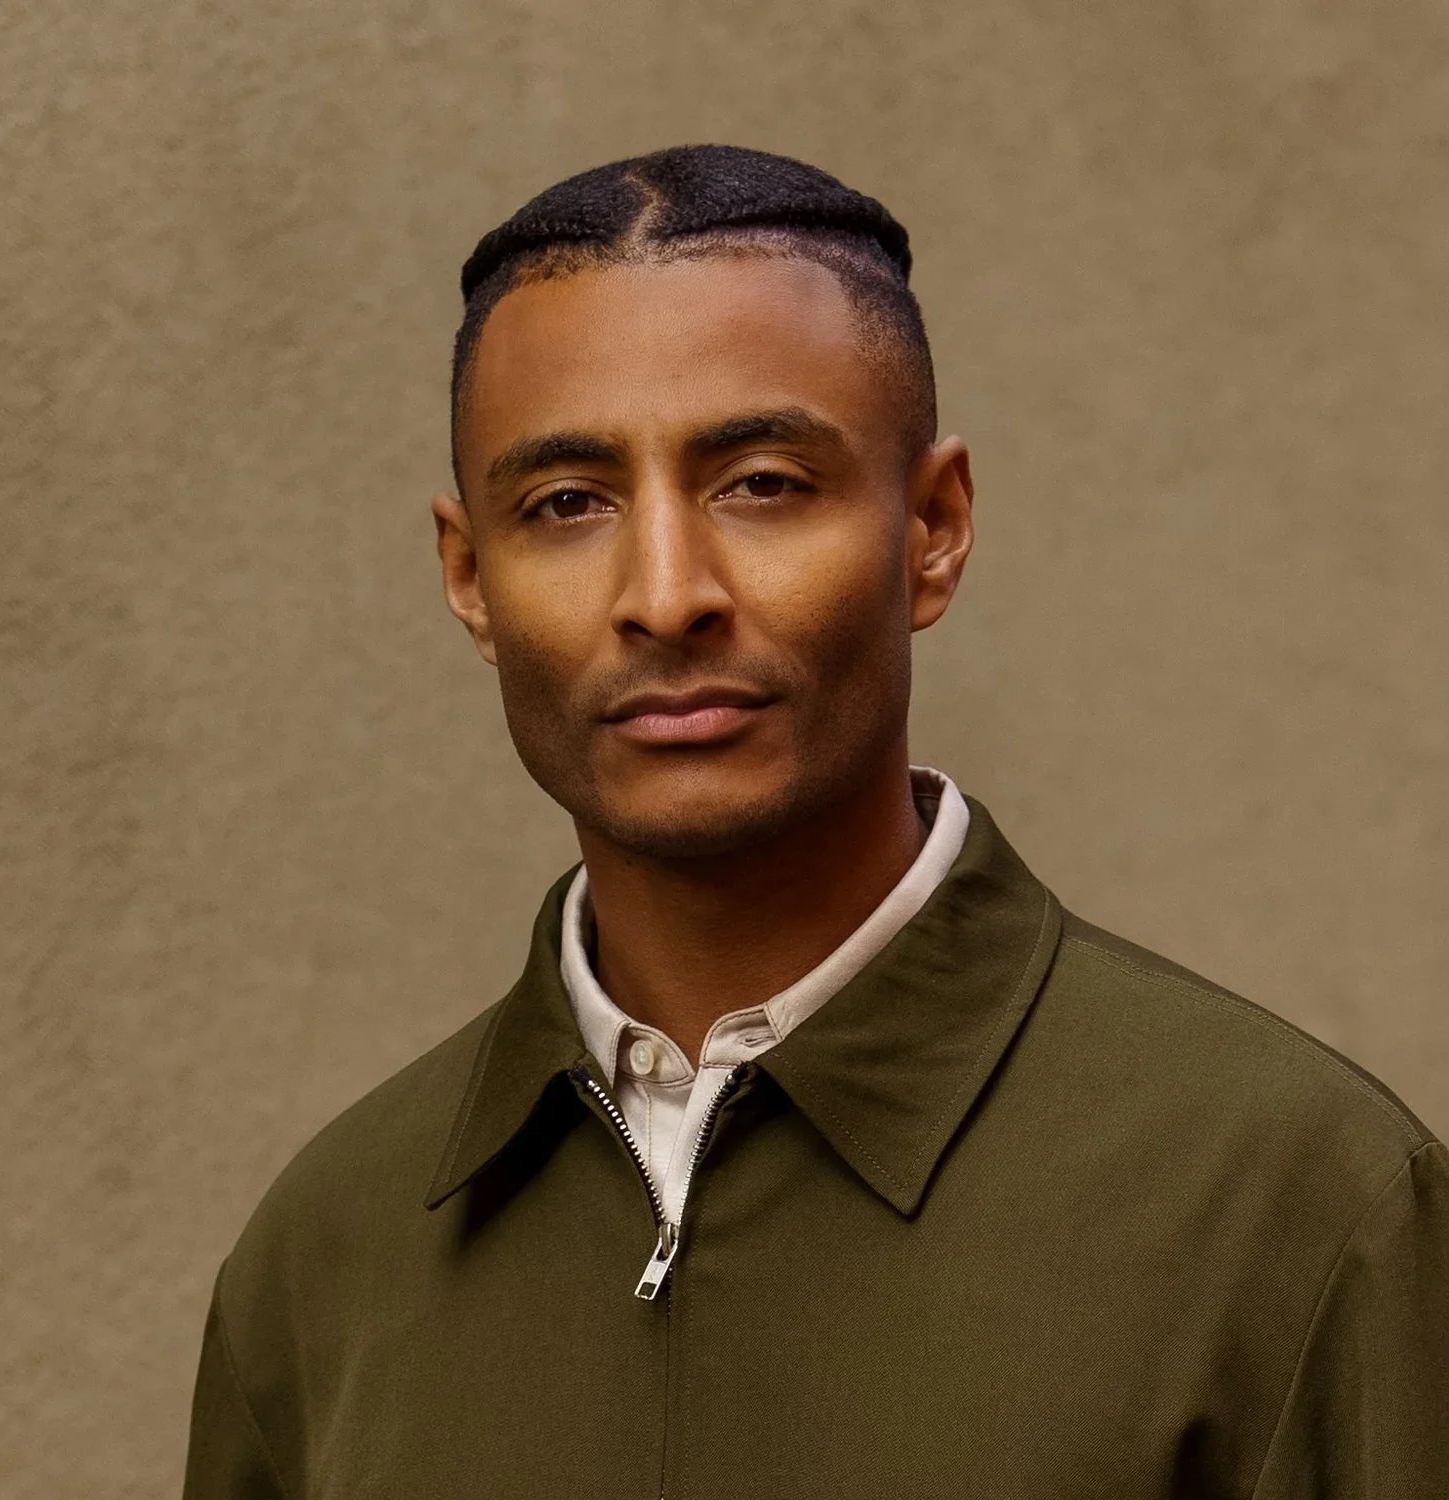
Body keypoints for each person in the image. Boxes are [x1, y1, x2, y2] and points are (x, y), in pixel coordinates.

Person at [182, 144, 1449, 1498]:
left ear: (934, 527)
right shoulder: (324, 1266)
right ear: (469, 578)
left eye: (764, 483)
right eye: (566, 506)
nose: (666, 594)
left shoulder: (1302, 1210)